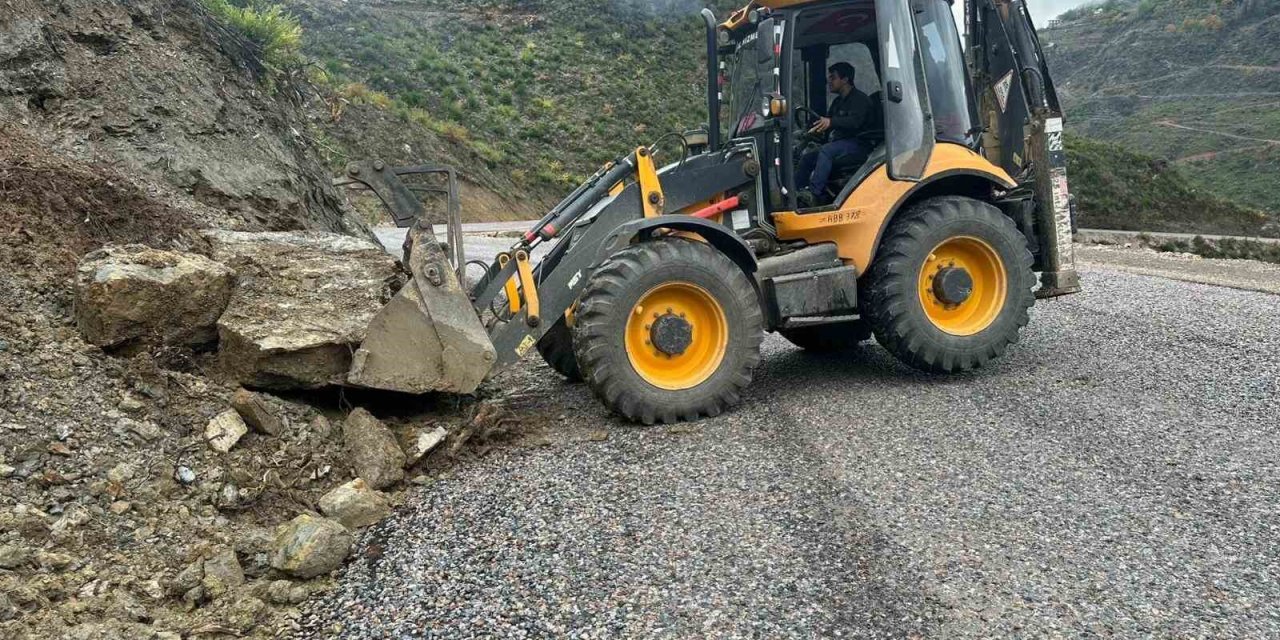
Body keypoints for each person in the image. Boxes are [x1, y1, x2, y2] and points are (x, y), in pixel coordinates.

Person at [796, 62, 872, 207]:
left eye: (833, 77)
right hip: (840, 144)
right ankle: (796, 193)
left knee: (826, 150)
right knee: (808, 157)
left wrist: (831, 122)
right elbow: (828, 122)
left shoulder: (860, 100)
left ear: (845, 79)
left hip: (860, 144)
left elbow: (855, 122)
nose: (829, 81)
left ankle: (814, 194)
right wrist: (813, 131)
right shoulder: (838, 102)